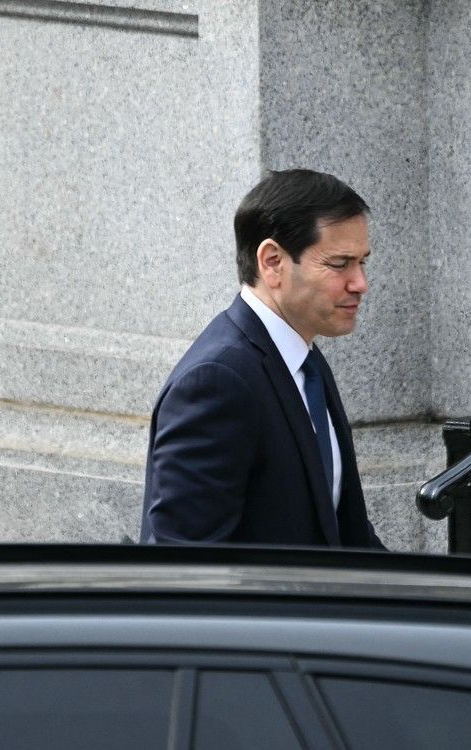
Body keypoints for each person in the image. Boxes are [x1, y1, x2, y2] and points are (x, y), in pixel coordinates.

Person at [141, 169, 384, 548]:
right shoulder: (217, 381)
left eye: (362, 262)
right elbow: (186, 564)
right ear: (272, 262)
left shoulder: (307, 362)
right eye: (340, 264)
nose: (360, 283)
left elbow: (345, 535)